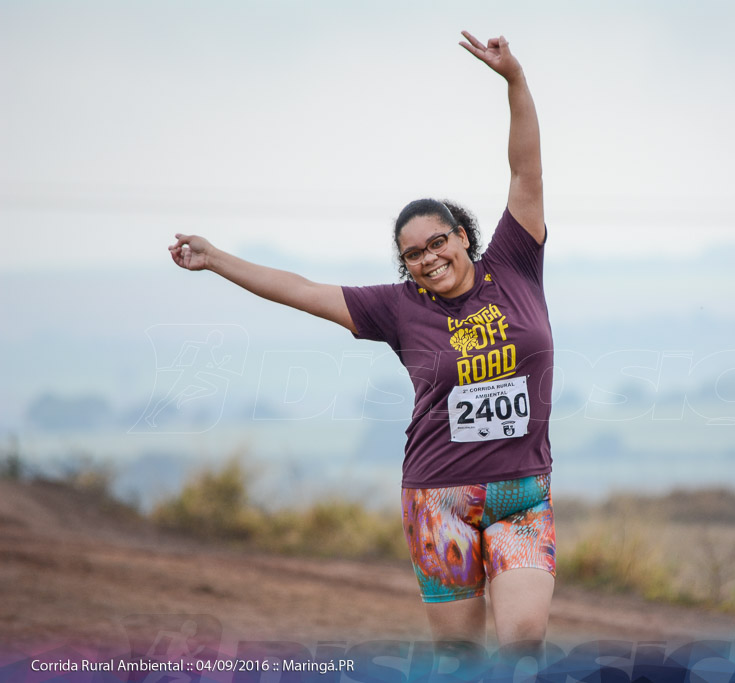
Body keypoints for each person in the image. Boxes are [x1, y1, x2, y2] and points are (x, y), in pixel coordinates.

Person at [168, 31, 554, 657]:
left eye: (437, 243)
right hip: (438, 501)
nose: (429, 260)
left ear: (462, 236)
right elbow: (299, 289)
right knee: (460, 663)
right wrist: (216, 259)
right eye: (413, 256)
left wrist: (515, 81)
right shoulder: (397, 308)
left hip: (523, 497)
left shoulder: (514, 263)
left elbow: (525, 170)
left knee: (524, 641)